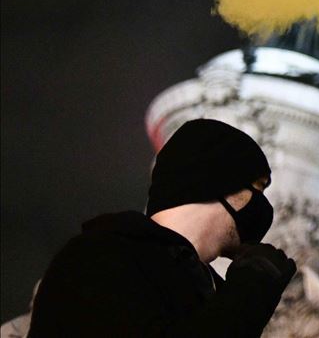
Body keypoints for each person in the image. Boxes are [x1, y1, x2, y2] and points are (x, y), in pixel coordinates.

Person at [27, 118, 297, 337]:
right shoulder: (97, 257)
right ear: (220, 183)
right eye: (258, 189)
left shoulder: (208, 286)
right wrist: (248, 296)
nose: (262, 206)